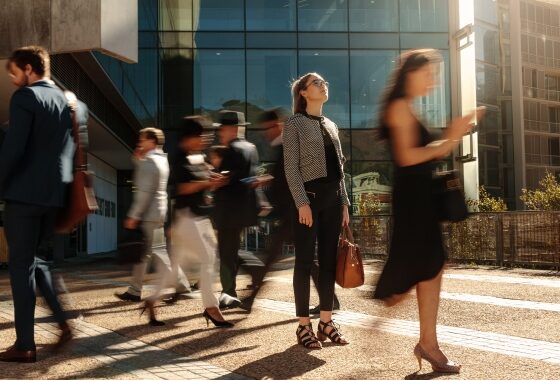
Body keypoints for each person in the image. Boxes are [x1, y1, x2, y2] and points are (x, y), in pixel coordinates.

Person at [373, 49, 483, 373]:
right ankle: (409, 329)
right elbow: (407, 156)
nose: (433, 81)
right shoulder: (399, 107)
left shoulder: (407, 107)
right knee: (425, 266)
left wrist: (449, 138)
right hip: (412, 201)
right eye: (429, 73)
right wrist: (450, 138)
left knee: (432, 265)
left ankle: (427, 342)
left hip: (418, 198)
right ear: (411, 73)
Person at [0, 46, 78, 362]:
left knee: (20, 266)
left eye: (15, 72)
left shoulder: (25, 98)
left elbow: (14, 149)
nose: (13, 79)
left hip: (24, 195)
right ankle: (62, 322)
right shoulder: (66, 100)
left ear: (29, 68)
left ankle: (25, 344)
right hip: (54, 195)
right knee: (38, 261)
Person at [241, 108, 341, 314]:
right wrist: (265, 181)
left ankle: (251, 298)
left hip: (295, 212)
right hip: (291, 213)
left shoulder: (288, 144)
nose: (266, 133)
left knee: (286, 259)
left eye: (268, 128)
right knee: (301, 260)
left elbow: (294, 175)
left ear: (278, 125)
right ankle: (330, 300)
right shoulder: (282, 146)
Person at [143, 116, 232, 328]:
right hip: (187, 218)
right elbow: (181, 189)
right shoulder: (177, 158)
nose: (204, 140)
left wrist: (214, 182)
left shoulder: (196, 156)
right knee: (208, 260)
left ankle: (152, 300)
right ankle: (211, 308)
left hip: (199, 217)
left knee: (177, 268)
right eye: (201, 136)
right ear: (189, 137)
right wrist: (206, 183)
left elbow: (203, 183)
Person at [284, 73, 350, 349]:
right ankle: (303, 326)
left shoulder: (331, 125)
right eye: (317, 83)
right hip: (309, 201)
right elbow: (290, 167)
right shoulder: (295, 124)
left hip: (334, 201)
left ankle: (326, 321)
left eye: (325, 82)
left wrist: (345, 202)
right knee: (303, 263)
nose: (324, 85)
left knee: (328, 262)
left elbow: (340, 169)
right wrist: (301, 202)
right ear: (302, 93)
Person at [115, 128, 191, 302]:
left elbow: (144, 192)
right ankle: (136, 290)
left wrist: (134, 215)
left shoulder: (149, 162)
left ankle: (180, 286)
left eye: (142, 139)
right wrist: (137, 159)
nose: (139, 142)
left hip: (148, 213)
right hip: (158, 211)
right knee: (150, 252)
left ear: (152, 141)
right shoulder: (161, 159)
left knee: (150, 252)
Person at [212, 110, 266, 309]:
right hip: (242, 209)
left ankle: (229, 292)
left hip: (228, 210)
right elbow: (249, 178)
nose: (220, 133)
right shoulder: (252, 148)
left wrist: (220, 179)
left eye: (222, 129)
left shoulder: (231, 150)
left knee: (226, 253)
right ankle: (250, 276)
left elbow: (229, 178)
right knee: (231, 251)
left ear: (232, 129)